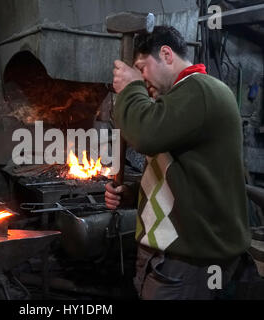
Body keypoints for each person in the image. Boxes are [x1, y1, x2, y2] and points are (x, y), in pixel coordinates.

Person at [105, 26, 253, 299]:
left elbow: (145, 134)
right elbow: (182, 173)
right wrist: (133, 194)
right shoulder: (178, 100)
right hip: (173, 258)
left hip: (189, 264)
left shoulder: (200, 89)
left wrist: (131, 86)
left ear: (166, 54)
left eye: (143, 67)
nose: (143, 76)